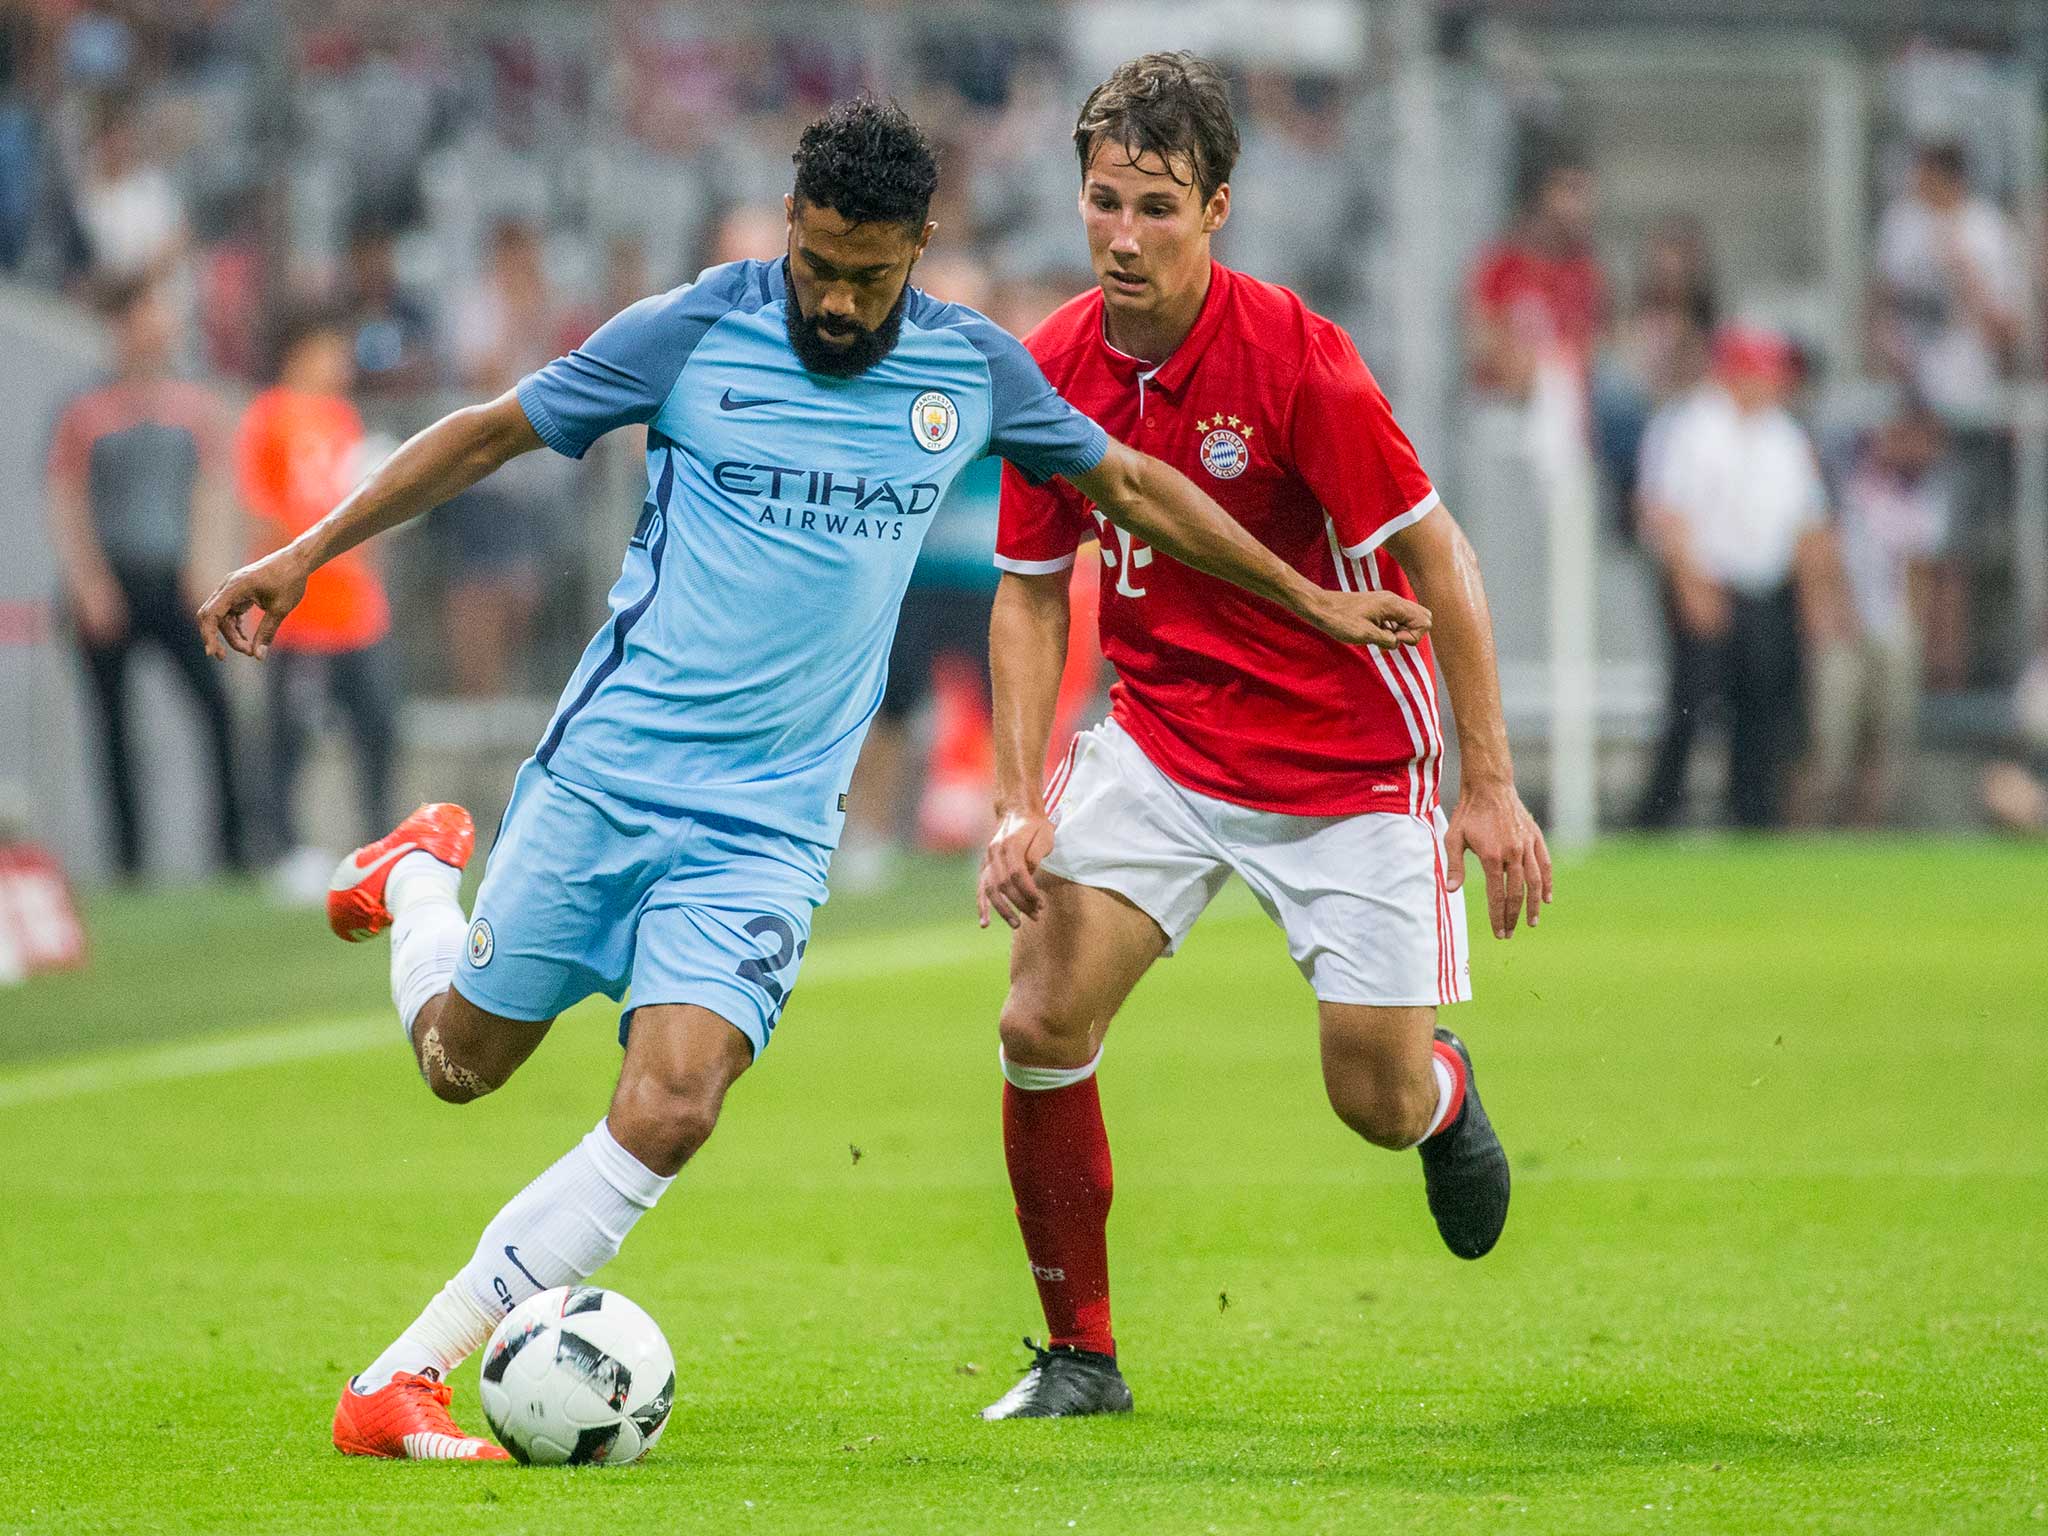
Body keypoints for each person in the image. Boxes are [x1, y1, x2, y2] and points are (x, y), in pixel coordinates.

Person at [195, 98, 1427, 1462]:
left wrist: (1310, 599)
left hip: (765, 831)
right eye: (819, 265)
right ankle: (420, 873)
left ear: (921, 248)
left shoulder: (972, 368)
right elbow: (491, 430)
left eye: (870, 274)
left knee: (673, 1104)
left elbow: (1132, 488)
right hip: (605, 779)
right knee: (457, 1067)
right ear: (791, 226)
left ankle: (403, 1378)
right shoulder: (692, 330)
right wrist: (305, 550)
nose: (837, 301)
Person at [971, 53, 1550, 1421]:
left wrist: (1492, 782)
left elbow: (1438, 556)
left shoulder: (1298, 361)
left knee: (1370, 1093)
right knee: (1040, 1015)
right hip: (1163, 741)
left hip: (1348, 762)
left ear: (1218, 206)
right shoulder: (1049, 366)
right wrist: (1015, 800)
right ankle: (1080, 1357)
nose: (1123, 234)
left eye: (1157, 207)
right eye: (1104, 201)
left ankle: (1444, 1098)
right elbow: (1031, 591)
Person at [47, 276, 245, 879]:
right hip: (110, 582)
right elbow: (67, 500)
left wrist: (207, 571)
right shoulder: (86, 412)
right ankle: (130, 862)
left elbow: (211, 493)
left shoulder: (192, 408)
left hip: (176, 581)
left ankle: (233, 852)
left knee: (216, 710)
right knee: (113, 727)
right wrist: (89, 584)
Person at [1634, 326, 1834, 831]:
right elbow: (1665, 510)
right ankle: (1660, 813)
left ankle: (1753, 816)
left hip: (1767, 592)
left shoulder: (1785, 435)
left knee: (1763, 709)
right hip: (1706, 583)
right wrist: (1690, 585)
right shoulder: (1691, 426)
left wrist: (1814, 600)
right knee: (1690, 705)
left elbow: (1808, 522)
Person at [235, 304, 398, 885]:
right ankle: (285, 851)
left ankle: (381, 840)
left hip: (358, 610)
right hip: (302, 612)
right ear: (300, 351)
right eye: (331, 349)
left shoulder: (345, 418)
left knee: (378, 726)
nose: (342, 363)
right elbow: (264, 511)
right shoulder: (268, 416)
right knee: (290, 735)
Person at [1804, 401, 1947, 826]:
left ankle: (1870, 834)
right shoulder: (1844, 478)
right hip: (1840, 625)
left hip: (1890, 626)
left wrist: (1915, 631)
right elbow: (1818, 545)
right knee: (1831, 742)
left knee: (1889, 741)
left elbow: (1920, 571)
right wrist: (1831, 608)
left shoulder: (1924, 495)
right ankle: (1812, 837)